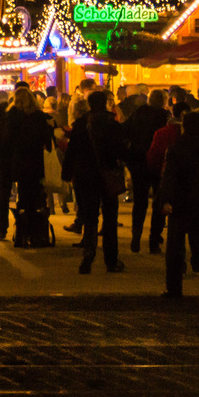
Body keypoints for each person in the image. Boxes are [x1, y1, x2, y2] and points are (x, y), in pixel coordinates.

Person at [63, 90, 126, 275]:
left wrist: (66, 173)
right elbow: (120, 150)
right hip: (106, 175)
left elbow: (72, 150)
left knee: (90, 217)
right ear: (105, 103)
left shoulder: (81, 124)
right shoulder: (111, 123)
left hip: (85, 176)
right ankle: (111, 261)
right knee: (109, 219)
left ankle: (88, 255)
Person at [0, 84, 53, 242]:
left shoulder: (9, 114)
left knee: (4, 194)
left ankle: (2, 229)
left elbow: (4, 137)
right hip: (32, 161)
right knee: (30, 196)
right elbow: (47, 141)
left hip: (9, 159)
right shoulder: (38, 116)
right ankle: (30, 231)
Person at [159, 109, 199, 297]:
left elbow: (169, 177)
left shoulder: (177, 148)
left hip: (181, 201)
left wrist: (165, 199)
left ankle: (174, 287)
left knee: (175, 245)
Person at [123, 88, 170, 255]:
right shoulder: (165, 117)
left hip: (138, 162)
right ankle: (154, 240)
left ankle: (136, 236)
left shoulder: (138, 113)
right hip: (157, 164)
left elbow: (124, 131)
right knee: (158, 202)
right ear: (164, 101)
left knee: (140, 202)